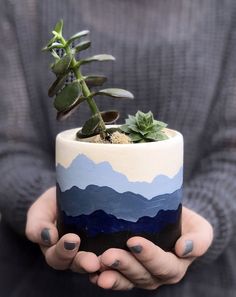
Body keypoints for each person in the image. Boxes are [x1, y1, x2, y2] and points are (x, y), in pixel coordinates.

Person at [0, 0, 236, 296]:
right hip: (34, 282)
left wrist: (199, 218)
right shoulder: (23, 6)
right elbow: (10, 145)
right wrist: (42, 203)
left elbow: (231, 151)